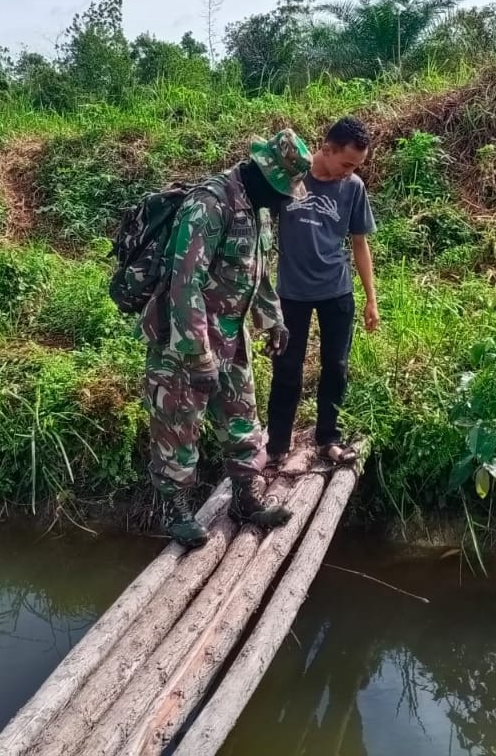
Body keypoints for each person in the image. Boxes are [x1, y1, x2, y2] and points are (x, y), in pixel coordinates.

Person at [140, 128, 313, 547]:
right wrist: (198, 355)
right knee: (178, 426)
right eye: (282, 191)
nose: (286, 200)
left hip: (232, 336)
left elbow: (255, 272)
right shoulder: (209, 205)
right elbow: (185, 285)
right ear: (263, 176)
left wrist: (272, 320)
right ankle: (175, 507)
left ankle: (245, 498)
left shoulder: (257, 209)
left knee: (242, 421)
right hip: (185, 339)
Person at [266, 117, 377, 466]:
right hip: (292, 293)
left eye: (356, 166)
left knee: (336, 366)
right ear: (326, 149)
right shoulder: (290, 179)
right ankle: (277, 446)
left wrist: (371, 299)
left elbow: (359, 244)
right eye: (346, 163)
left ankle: (328, 438)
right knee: (286, 368)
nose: (350, 172)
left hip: (336, 291)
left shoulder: (353, 187)